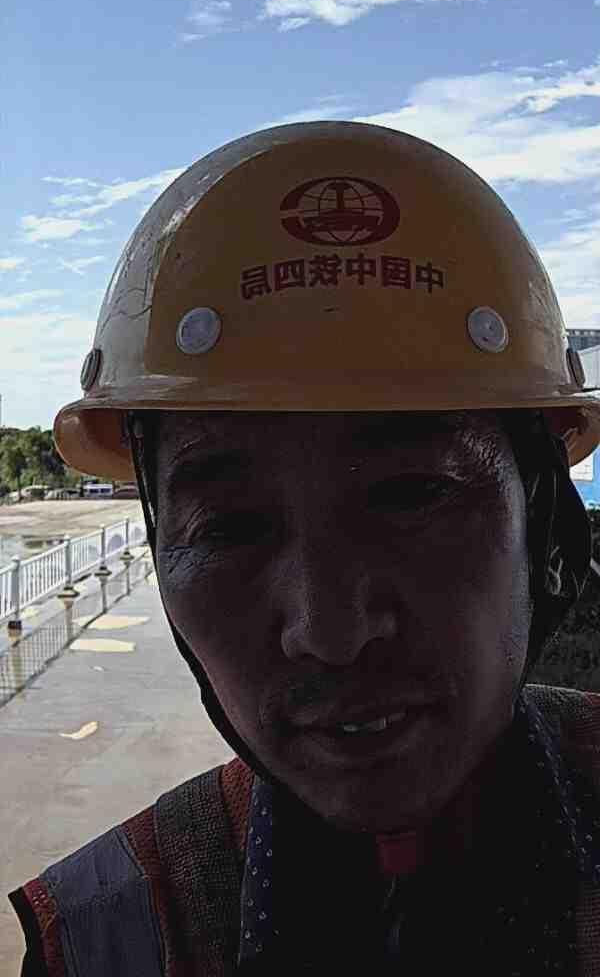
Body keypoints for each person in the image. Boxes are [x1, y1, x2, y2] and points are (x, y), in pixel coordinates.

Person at [9, 122, 600, 975]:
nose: (331, 631)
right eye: (228, 527)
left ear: (543, 522)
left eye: (415, 495)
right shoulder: (109, 934)